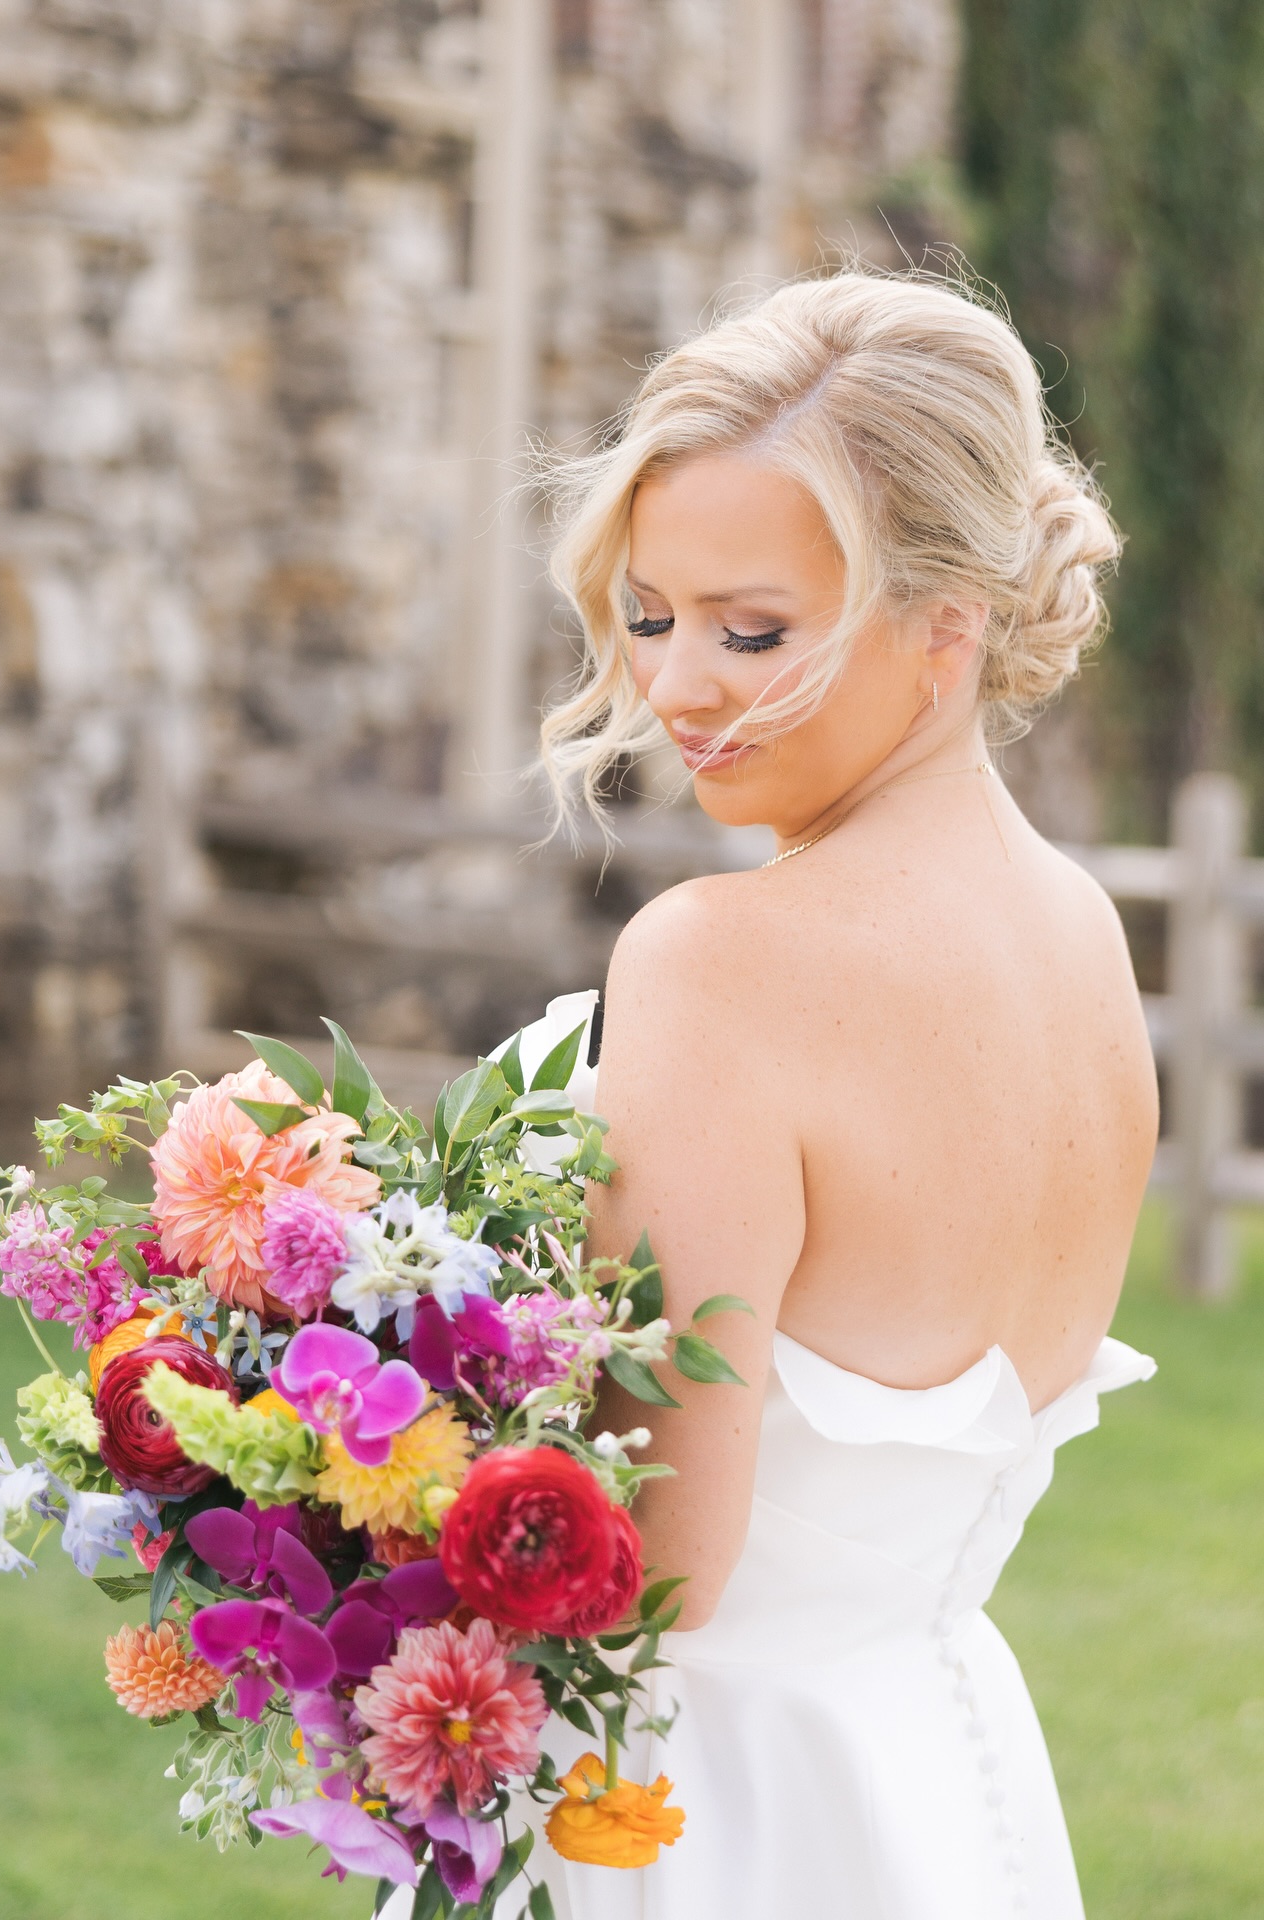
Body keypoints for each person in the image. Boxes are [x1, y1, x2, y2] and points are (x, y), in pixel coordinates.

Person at [521, 271, 1160, 1918]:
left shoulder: (721, 961)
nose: (674, 689)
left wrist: (313, 1456)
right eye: (649, 615)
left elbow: (656, 1565)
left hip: (693, 1806)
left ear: (948, 621)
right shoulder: (1082, 941)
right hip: (942, 1778)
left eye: (754, 632)